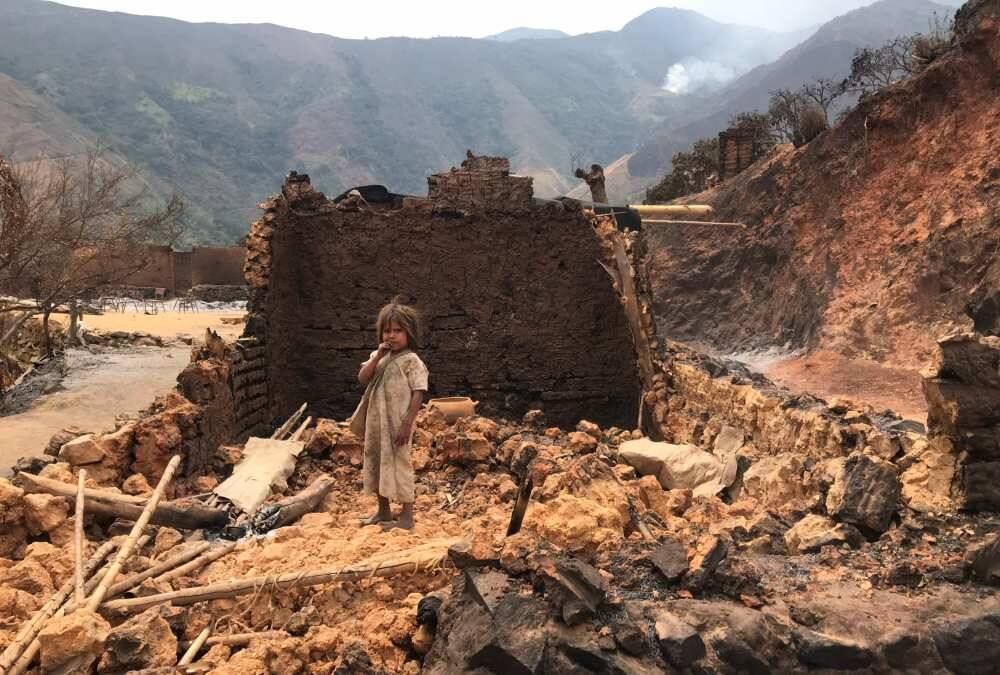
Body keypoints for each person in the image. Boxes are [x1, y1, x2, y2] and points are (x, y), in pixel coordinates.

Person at [350, 299, 428, 530]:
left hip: (397, 424)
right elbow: (362, 378)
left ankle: (406, 517)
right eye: (387, 331)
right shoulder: (379, 356)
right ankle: (383, 510)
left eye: (398, 331)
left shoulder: (412, 361)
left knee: (400, 463)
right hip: (377, 423)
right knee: (376, 461)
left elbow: (419, 392)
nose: (391, 336)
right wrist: (377, 357)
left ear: (409, 333)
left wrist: (407, 424)